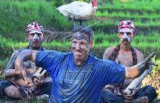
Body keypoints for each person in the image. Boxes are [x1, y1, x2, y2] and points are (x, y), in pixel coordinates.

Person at [15, 25, 154, 103]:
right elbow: (23, 54)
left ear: (91, 44)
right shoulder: (57, 59)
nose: (77, 47)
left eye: (82, 43)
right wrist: (21, 70)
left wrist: (144, 66)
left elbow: (130, 72)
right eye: (74, 42)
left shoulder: (101, 67)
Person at [102, 20, 157, 103]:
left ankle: (129, 101)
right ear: (118, 35)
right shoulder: (109, 52)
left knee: (150, 90)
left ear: (133, 35)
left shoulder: (139, 55)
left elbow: (138, 79)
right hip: (112, 92)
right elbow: (103, 75)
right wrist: (107, 87)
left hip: (131, 92)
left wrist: (135, 89)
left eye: (128, 33)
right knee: (102, 93)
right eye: (122, 33)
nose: (125, 37)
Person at [0, 21, 52, 101]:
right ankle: (34, 98)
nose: (36, 38)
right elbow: (5, 74)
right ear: (27, 36)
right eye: (32, 34)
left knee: (53, 84)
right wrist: (18, 71)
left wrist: (43, 80)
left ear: (43, 36)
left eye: (38, 34)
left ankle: (27, 97)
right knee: (2, 84)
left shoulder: (48, 55)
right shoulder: (18, 53)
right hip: (19, 87)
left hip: (39, 88)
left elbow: (54, 76)